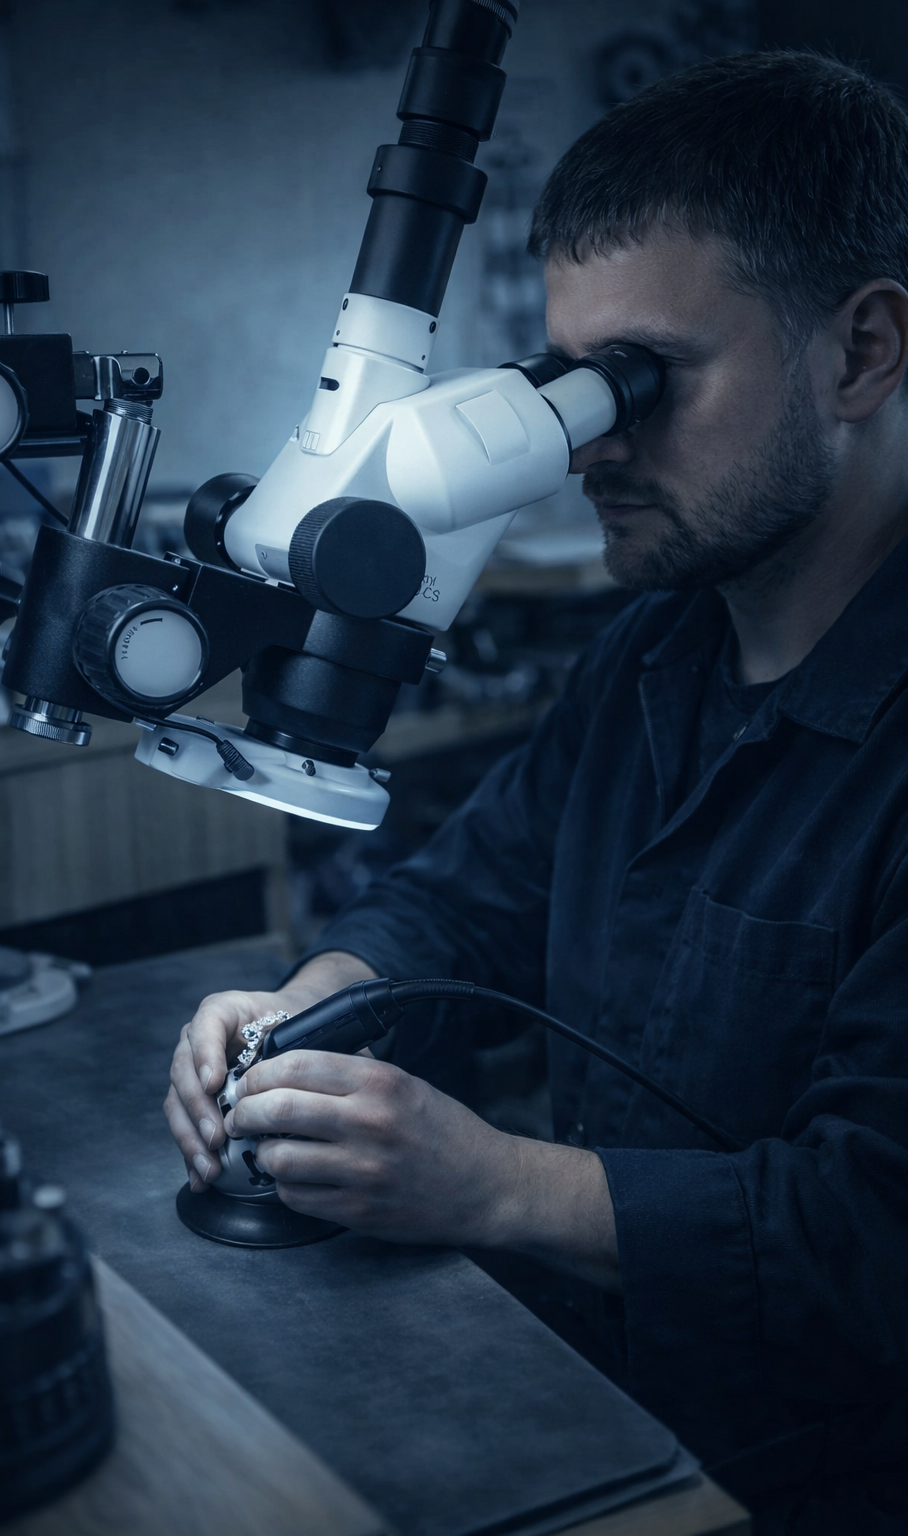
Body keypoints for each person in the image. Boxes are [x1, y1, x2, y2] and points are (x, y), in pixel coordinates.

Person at [165, 52, 908, 1532]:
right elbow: (465, 906)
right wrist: (313, 1008)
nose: (591, 443)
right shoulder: (649, 656)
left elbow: (871, 1229)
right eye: (566, 385)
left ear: (862, 352)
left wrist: (495, 1184)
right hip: (605, 1417)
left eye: (644, 377)